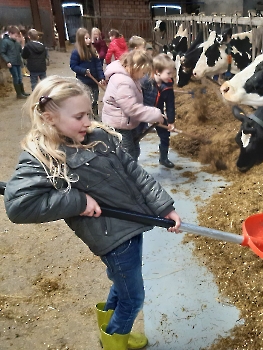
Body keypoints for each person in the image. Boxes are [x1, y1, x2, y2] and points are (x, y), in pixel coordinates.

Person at [3, 75, 181, 350]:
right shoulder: (44, 156)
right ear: (50, 117)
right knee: (133, 297)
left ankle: (109, 327)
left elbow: (134, 172)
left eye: (89, 113)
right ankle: (115, 340)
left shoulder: (98, 136)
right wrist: (77, 201)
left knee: (121, 283)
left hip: (132, 225)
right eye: (79, 116)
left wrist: (163, 206)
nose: (88, 121)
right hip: (111, 236)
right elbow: (18, 205)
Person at [101, 49, 166, 160]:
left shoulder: (129, 76)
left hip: (125, 122)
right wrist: (155, 114)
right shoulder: (123, 82)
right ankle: (127, 176)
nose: (143, 76)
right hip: (118, 126)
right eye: (144, 72)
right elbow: (132, 109)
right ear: (136, 67)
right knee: (128, 155)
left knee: (134, 150)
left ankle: (130, 174)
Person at [141, 53, 176, 168]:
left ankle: (164, 158)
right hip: (143, 111)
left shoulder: (168, 86)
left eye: (172, 73)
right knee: (136, 135)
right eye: (168, 73)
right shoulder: (145, 82)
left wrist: (171, 121)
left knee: (165, 134)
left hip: (158, 113)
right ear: (157, 71)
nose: (171, 76)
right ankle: (132, 158)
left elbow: (170, 104)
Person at [70, 27, 105, 119]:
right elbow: (73, 66)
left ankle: (95, 115)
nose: (89, 40)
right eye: (86, 38)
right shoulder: (76, 52)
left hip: (94, 81)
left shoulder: (92, 51)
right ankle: (87, 116)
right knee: (87, 99)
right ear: (81, 40)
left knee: (95, 98)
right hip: (84, 81)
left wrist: (101, 77)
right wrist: (83, 71)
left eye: (89, 38)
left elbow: (98, 65)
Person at [0, 25, 29, 99]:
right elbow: (2, 52)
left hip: (17, 61)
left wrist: (21, 43)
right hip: (11, 63)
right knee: (16, 77)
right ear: (10, 34)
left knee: (20, 77)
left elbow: (20, 50)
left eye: (17, 36)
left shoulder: (16, 42)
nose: (16, 37)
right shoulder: (5, 42)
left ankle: (22, 92)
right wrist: (7, 61)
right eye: (15, 36)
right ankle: (19, 94)